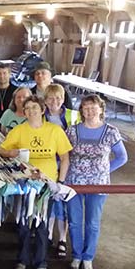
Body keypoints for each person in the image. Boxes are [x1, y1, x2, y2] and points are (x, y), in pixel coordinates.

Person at [0, 96, 72, 269]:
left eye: (35, 108)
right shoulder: (19, 130)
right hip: (24, 183)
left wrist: (60, 182)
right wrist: (11, 152)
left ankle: (41, 262)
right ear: (24, 111)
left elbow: (64, 158)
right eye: (28, 108)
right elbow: (0, 149)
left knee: (42, 225)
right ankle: (22, 258)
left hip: (47, 185)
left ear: (42, 110)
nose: (31, 111)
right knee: (23, 223)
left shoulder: (55, 131)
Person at [65, 95, 127, 269]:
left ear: (101, 109)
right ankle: (76, 255)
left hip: (99, 185)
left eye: (93, 107)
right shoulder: (72, 131)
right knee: (75, 222)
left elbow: (122, 157)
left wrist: (103, 172)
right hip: (73, 183)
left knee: (92, 222)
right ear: (81, 111)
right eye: (85, 108)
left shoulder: (111, 131)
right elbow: (63, 155)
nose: (89, 111)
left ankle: (88, 257)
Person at [43, 83, 81, 257]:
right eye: (50, 98)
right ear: (45, 100)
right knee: (50, 200)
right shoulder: (41, 116)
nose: (54, 101)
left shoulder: (73, 116)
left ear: (64, 99)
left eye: (58, 98)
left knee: (63, 200)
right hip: (49, 163)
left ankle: (63, 239)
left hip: (67, 163)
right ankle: (49, 234)